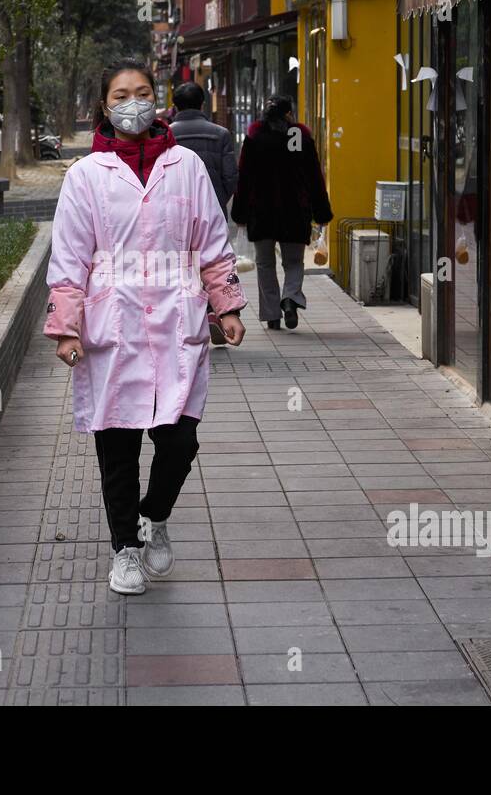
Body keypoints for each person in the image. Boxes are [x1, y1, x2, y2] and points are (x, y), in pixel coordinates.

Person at [44, 59, 247, 596]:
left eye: (142, 93)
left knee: (179, 441)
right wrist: (67, 327)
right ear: (104, 107)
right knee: (118, 446)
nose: (132, 103)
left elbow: (211, 240)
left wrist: (225, 305)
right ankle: (125, 552)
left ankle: (152, 517)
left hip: (176, 317)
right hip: (113, 321)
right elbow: (69, 257)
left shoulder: (185, 166)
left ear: (157, 101)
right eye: (120, 95)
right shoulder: (86, 176)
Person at [230, 96, 332, 330]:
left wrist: (240, 213)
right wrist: (322, 212)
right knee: (294, 262)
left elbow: (243, 178)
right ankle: (290, 298)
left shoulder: (255, 137)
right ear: (288, 114)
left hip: (262, 211)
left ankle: (271, 314)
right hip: (295, 210)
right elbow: (315, 177)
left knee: (265, 263)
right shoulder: (302, 137)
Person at [169, 81, 239, 345]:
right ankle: (213, 311)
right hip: (214, 209)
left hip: (174, 214)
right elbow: (231, 175)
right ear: (202, 104)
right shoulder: (220, 133)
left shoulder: (166, 134)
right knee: (213, 259)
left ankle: (197, 316)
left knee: (185, 263)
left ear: (175, 106)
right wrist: (219, 200)